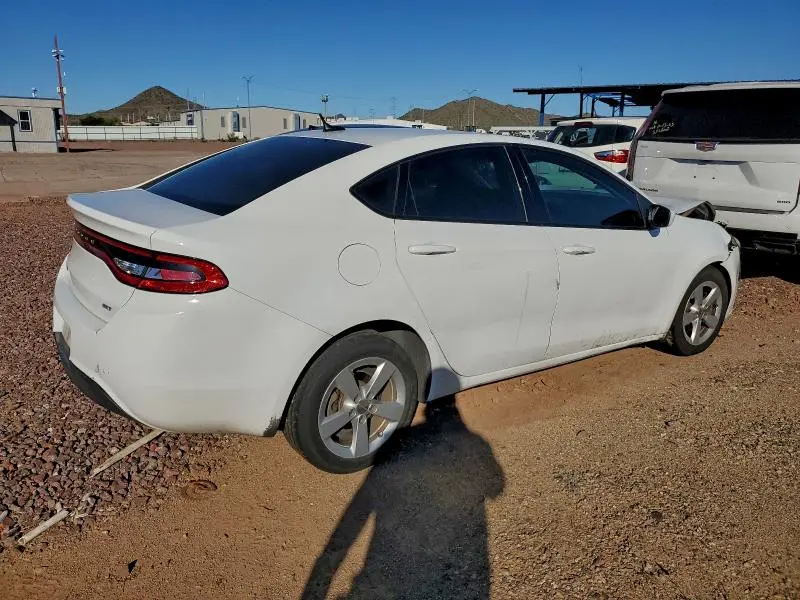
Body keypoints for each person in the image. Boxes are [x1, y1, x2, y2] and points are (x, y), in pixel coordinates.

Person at [302, 396, 505, 600]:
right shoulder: (474, 442)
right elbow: (496, 488)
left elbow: (357, 513)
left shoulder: (402, 439)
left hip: (384, 567)